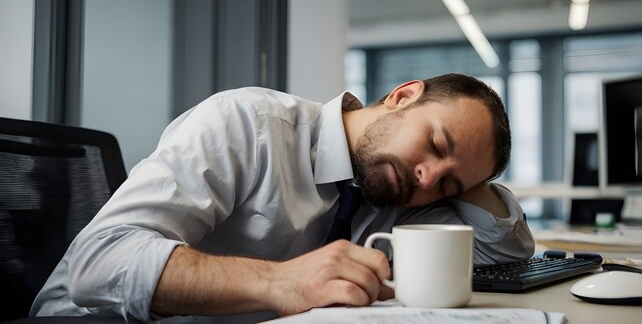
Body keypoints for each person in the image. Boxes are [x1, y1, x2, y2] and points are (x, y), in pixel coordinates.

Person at [30, 73, 534, 323]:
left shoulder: (397, 193)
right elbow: (97, 265)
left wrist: (469, 171)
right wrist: (280, 282)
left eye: (448, 184)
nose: (426, 178)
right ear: (402, 96)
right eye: (436, 144)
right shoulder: (248, 123)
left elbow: (504, 249)